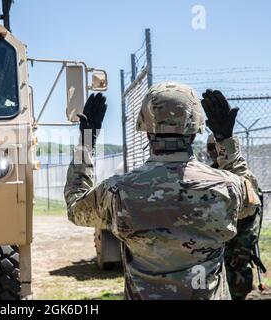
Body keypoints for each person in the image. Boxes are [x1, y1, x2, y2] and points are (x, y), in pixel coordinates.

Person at [64, 83, 261, 300]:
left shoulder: (118, 191)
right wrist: (225, 141)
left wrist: (86, 143)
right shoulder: (228, 187)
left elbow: (76, 209)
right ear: (194, 133)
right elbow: (252, 201)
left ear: (147, 132)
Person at [207, 134, 265, 300]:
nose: (213, 152)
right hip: (215, 250)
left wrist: (242, 251)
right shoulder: (208, 174)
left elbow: (252, 219)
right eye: (210, 148)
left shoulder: (243, 178)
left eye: (216, 147)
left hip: (235, 249)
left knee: (237, 287)